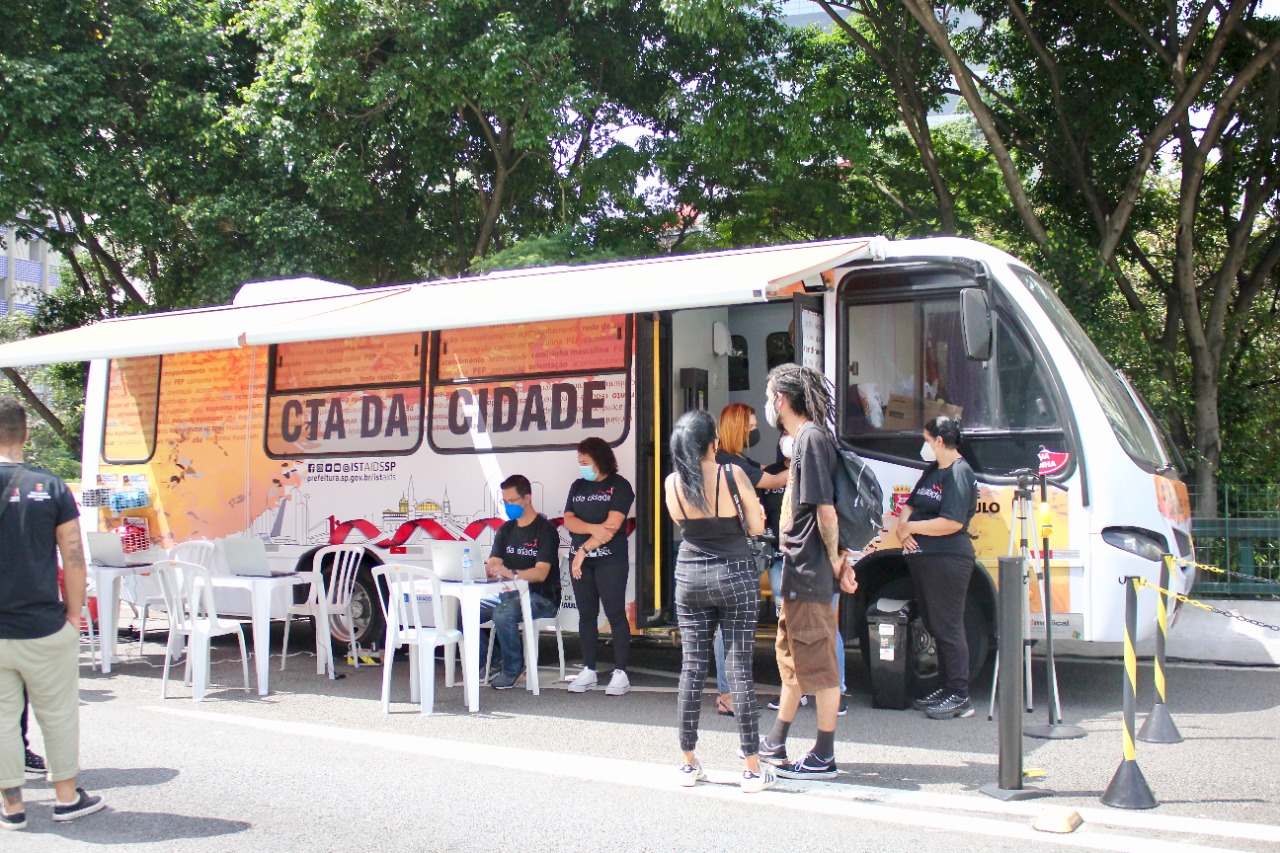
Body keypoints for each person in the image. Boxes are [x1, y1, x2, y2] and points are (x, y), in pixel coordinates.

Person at [0, 398, 105, 830]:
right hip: (45, 624)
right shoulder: (53, 487)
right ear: (26, 434)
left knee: (3, 718)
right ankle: (66, 797)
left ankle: (12, 807)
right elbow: (74, 558)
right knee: (58, 714)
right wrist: (73, 618)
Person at [665, 410, 774, 793]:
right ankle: (751, 767)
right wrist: (754, 516)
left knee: (692, 668)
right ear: (713, 442)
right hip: (735, 574)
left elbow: (683, 524)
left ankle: (688, 763)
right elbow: (757, 527)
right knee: (739, 668)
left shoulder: (671, 483)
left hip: (689, 576)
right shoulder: (732, 474)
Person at [757, 364, 858, 781]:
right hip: (800, 570)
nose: (767, 403)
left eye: (769, 395)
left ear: (780, 399)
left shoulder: (811, 440)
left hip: (810, 570)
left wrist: (838, 564)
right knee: (795, 661)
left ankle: (824, 755)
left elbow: (825, 510)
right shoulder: (806, 440)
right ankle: (776, 741)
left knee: (819, 665)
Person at [893, 415, 979, 720]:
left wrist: (912, 527)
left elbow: (952, 522)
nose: (924, 446)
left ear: (940, 442)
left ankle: (960, 694)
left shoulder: (959, 473)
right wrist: (904, 528)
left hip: (949, 558)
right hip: (926, 559)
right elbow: (910, 503)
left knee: (948, 625)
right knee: (934, 623)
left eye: (927, 440)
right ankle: (946, 687)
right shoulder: (934, 469)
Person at [710, 403, 785, 716]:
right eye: (751, 426)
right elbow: (767, 482)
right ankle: (728, 694)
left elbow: (763, 472)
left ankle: (731, 691)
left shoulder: (739, 460)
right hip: (733, 553)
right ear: (738, 427)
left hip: (740, 552)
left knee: (733, 625)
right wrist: (801, 462)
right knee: (730, 625)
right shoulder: (728, 462)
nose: (755, 431)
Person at [564, 438, 635, 696]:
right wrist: (593, 528)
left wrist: (582, 550)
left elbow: (612, 527)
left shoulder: (620, 485)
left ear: (600, 459)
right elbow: (569, 520)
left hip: (609, 560)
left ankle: (620, 673)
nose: (581, 467)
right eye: (579, 462)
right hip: (581, 561)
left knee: (615, 613)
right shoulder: (578, 485)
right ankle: (588, 670)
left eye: (585, 462)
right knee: (586, 614)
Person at [481, 474, 562, 690]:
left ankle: (513, 668)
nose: (508, 506)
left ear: (527, 498)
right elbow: (495, 559)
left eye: (512, 501)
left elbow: (541, 573)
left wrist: (512, 573)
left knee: (503, 613)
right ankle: (494, 661)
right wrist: (492, 568)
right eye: (505, 502)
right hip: (508, 594)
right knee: (462, 609)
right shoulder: (506, 529)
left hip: (542, 597)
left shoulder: (545, 530)